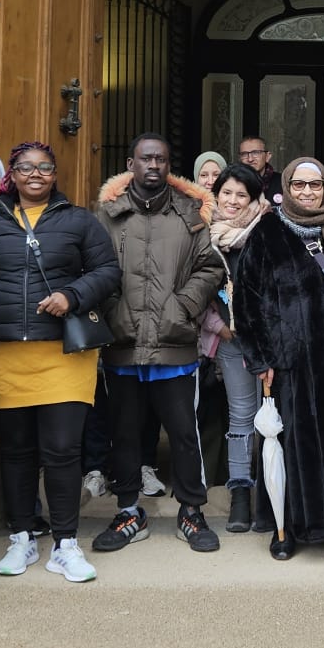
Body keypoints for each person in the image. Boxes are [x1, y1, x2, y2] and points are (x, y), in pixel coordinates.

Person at [0, 142, 121, 583]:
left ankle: (65, 544)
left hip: (64, 356)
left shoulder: (79, 220)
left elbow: (108, 271)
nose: (35, 174)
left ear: (55, 174)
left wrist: (72, 295)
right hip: (6, 355)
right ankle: (22, 538)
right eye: (25, 167)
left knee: (63, 451)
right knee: (16, 452)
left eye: (45, 167)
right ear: (11, 174)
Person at [230, 158, 324, 558]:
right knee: (292, 446)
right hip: (290, 363)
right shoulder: (267, 232)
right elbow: (247, 302)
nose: (308, 192)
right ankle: (287, 530)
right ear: (286, 187)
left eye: (315, 185)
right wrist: (260, 359)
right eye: (299, 185)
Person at [91, 135, 225, 555]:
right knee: (125, 434)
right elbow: (93, 267)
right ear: (130, 163)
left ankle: (191, 511)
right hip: (124, 343)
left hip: (174, 343)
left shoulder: (189, 213)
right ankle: (128, 511)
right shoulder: (108, 215)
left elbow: (209, 267)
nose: (154, 165)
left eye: (161, 159)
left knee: (184, 433)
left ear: (169, 165)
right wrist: (114, 312)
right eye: (146, 158)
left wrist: (182, 307)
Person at [204, 165, 269, 533]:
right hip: (232, 340)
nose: (232, 201)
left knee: (274, 415)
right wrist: (219, 326)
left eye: (241, 195)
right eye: (226, 193)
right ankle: (241, 494)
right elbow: (196, 287)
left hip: (269, 340)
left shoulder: (268, 230)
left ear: (253, 198)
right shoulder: (205, 232)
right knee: (241, 416)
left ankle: (271, 494)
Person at [237, 137, 282, 203]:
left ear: (267, 156)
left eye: (256, 153)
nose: (250, 159)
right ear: (239, 158)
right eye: (244, 154)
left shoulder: (282, 182)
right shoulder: (234, 182)